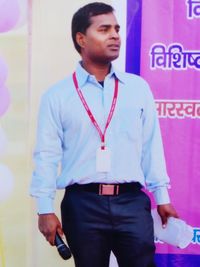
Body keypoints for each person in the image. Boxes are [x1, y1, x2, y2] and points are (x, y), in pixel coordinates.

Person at [30, 2, 178, 267]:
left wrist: (163, 198)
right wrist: (44, 208)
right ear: (81, 38)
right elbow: (46, 155)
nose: (115, 35)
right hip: (82, 205)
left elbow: (151, 146)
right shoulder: (57, 96)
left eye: (117, 29)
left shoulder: (137, 88)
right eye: (105, 29)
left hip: (132, 202)